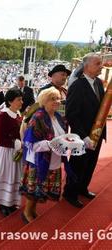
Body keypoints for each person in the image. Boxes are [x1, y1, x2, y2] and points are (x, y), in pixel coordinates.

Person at [20, 87, 68, 223]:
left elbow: (63, 136)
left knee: (40, 188)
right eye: (52, 99)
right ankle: (26, 212)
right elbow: (31, 144)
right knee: (34, 187)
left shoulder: (58, 116)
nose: (57, 101)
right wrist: (51, 144)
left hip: (54, 160)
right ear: (44, 101)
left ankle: (32, 210)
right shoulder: (38, 116)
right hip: (39, 160)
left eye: (58, 98)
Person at [63, 53, 105, 208]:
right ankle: (70, 193)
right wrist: (84, 136)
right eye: (98, 64)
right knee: (77, 165)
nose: (101, 66)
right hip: (82, 136)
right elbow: (71, 114)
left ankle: (82, 188)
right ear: (86, 66)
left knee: (90, 163)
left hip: (97, 133)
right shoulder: (77, 86)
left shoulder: (99, 83)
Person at [0, 88, 23, 217]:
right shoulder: (3, 116)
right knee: (5, 176)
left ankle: (10, 201)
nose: (21, 102)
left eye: (21, 99)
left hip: (14, 152)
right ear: (10, 101)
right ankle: (2, 204)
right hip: (5, 153)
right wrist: (17, 143)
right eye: (19, 100)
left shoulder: (17, 114)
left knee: (13, 177)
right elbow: (0, 139)